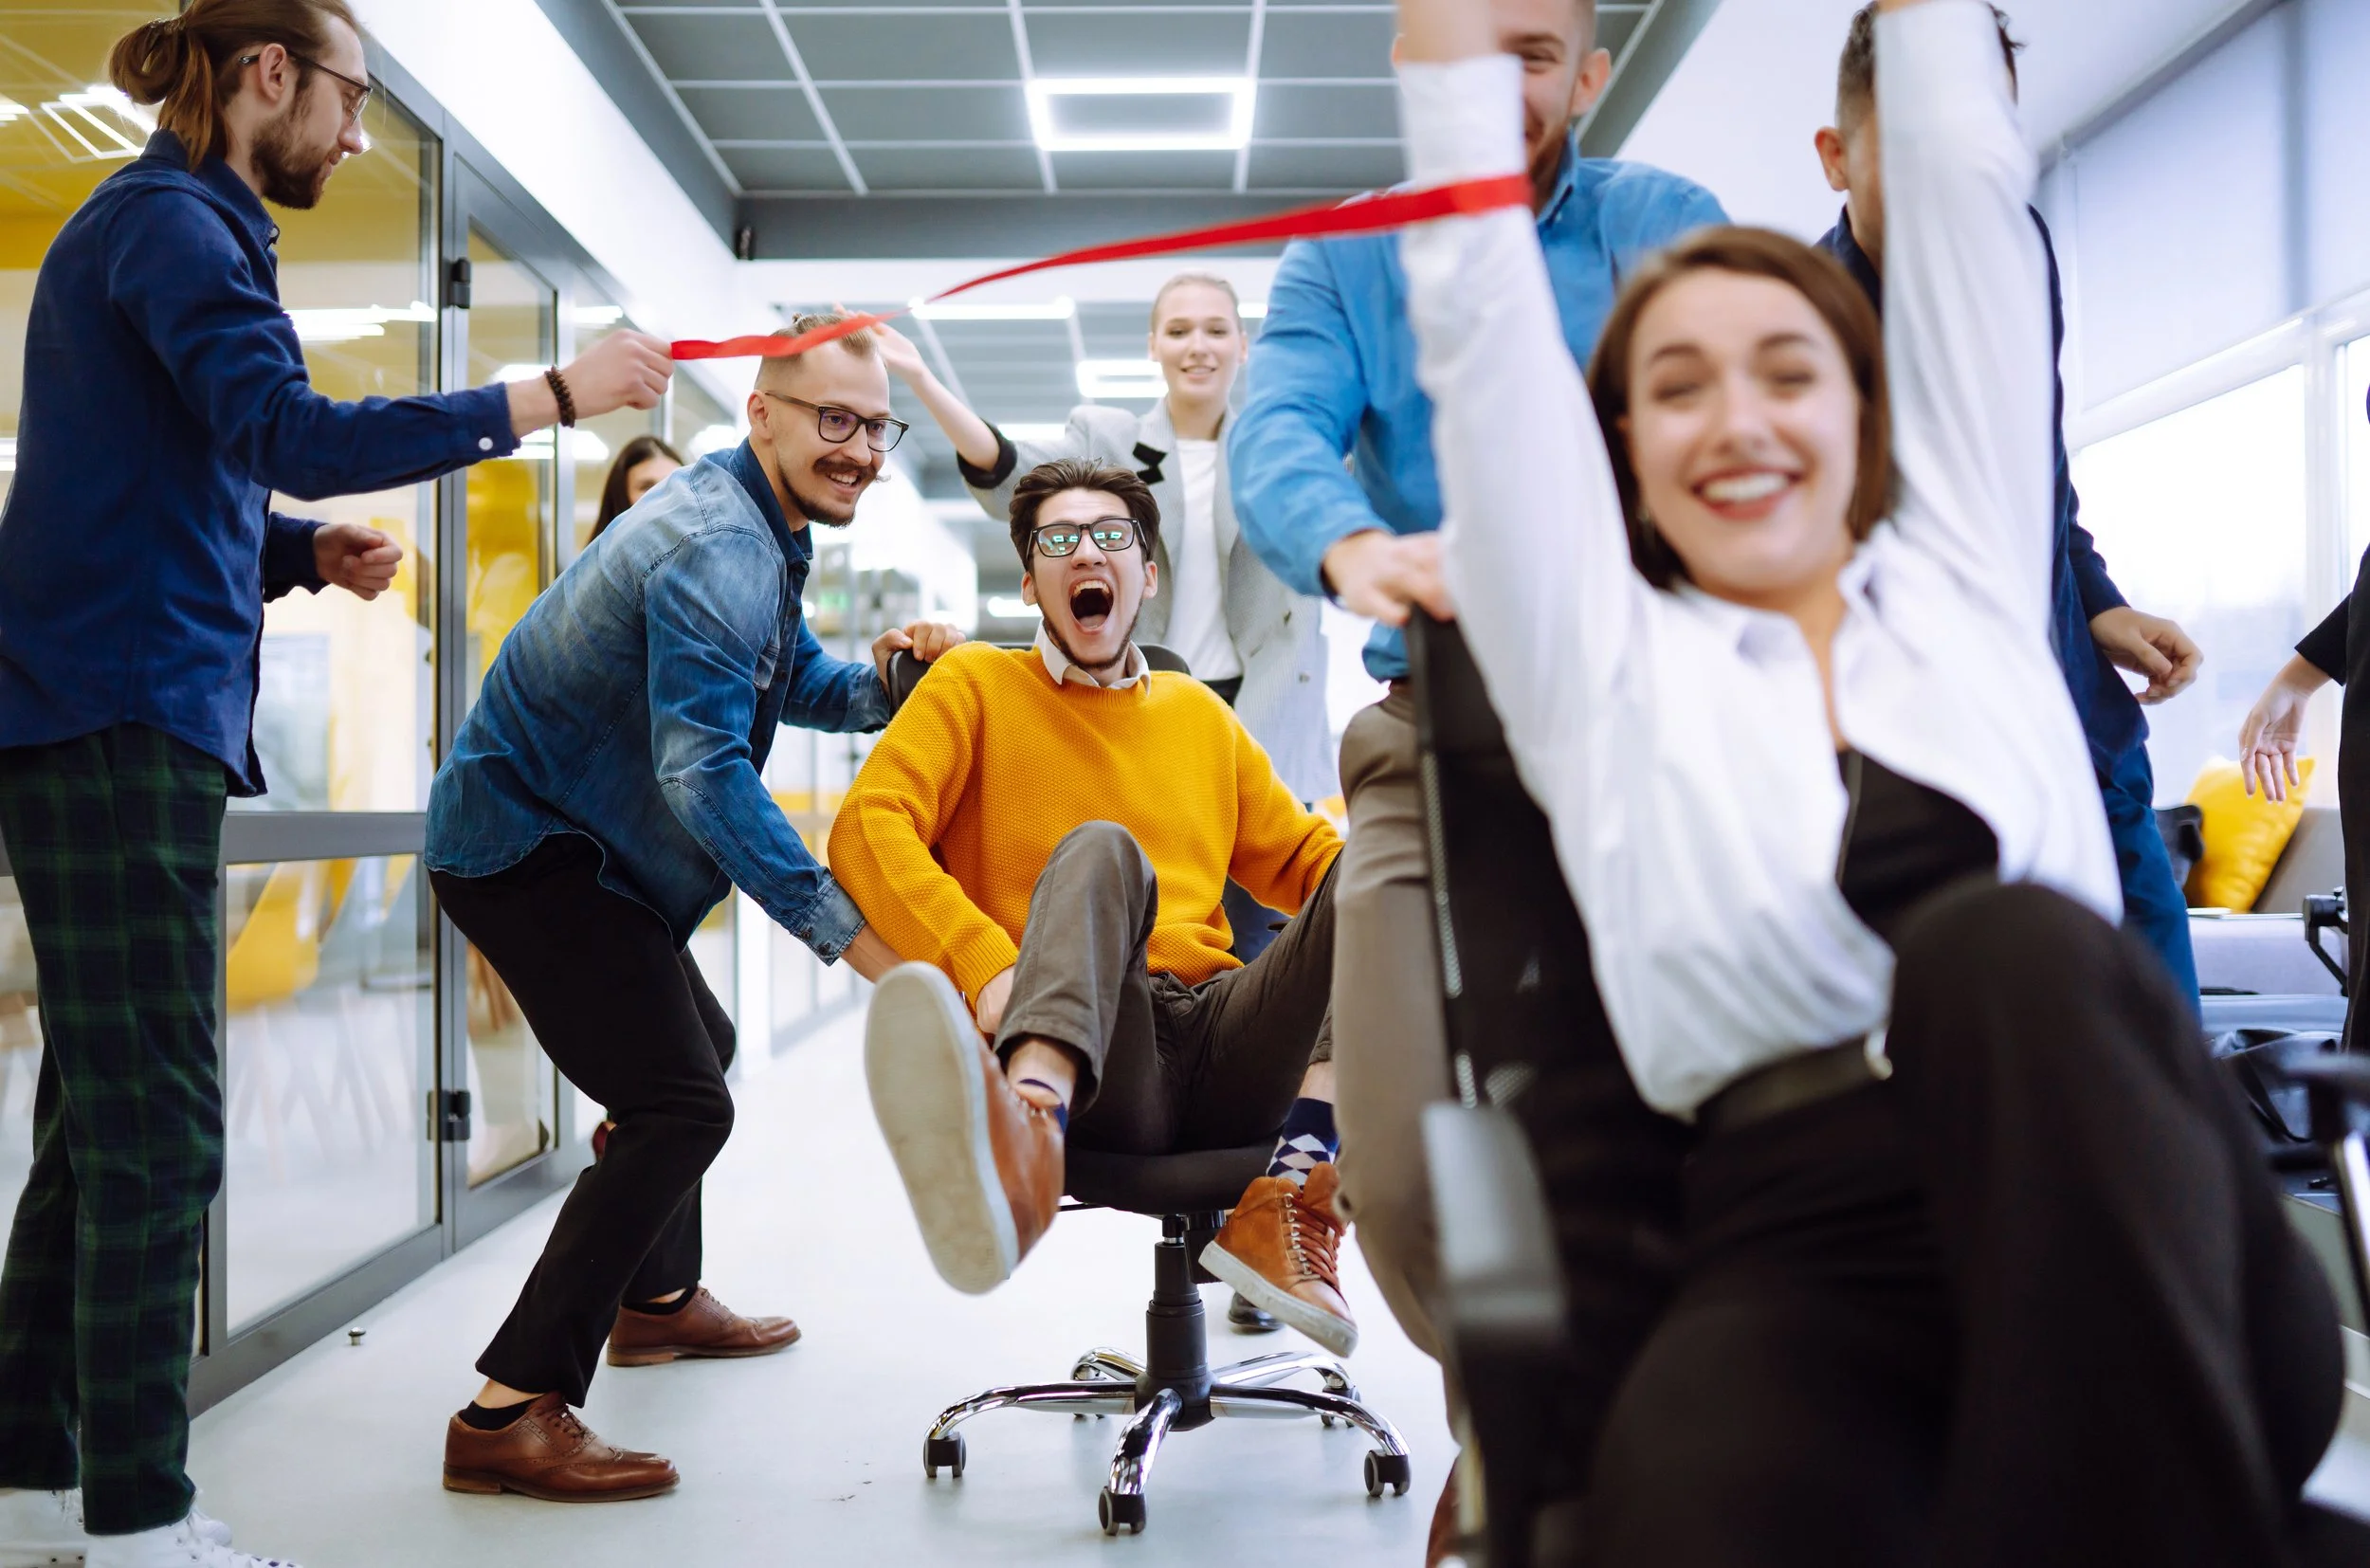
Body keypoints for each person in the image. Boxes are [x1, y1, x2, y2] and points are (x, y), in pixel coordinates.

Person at [1395, 0, 2348, 1560]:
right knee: (1710, 1493)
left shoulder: (1970, 572)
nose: (1740, 416)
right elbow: (1482, 337)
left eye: (1789, 369)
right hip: (1803, 1231)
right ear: (1623, 445)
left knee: (2003, 945)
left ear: (1865, 404)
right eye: (1679, 386)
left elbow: (1963, 174)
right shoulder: (1601, 659)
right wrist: (1457, 73)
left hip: (2111, 1184)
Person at [0, 5, 672, 1565]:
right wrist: (549, 394)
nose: (358, 136)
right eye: (349, 102)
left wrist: (301, 552)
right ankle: (142, 1514)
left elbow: (166, 482)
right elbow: (286, 425)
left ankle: (31, 1471)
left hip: (108, 706)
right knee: (162, 1130)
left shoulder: (168, 229)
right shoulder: (174, 226)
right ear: (267, 74)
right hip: (113, 716)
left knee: (95, 1126)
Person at [1229, 0, 1725, 1456]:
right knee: (1396, 1170)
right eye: (1465, 49)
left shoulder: (1661, 224)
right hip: (1430, 736)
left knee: (1642, 1141)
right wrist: (1347, 543)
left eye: (1534, 51)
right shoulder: (1345, 255)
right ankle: (1522, 1428)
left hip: (1649, 731)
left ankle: (1560, 1469)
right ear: (1408, 66)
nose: (1498, 83)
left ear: (1591, 74)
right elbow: (1278, 428)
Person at [425, 314, 960, 1503]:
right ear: (761, 413)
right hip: (531, 848)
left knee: (693, 1052)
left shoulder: (762, 527)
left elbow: (794, 679)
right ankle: (506, 1409)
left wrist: (891, 683)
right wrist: (858, 940)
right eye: (834, 419)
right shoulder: (721, 542)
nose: (860, 450)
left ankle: (657, 1301)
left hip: (586, 848)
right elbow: (705, 774)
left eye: (877, 427)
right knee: (680, 1102)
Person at [832, 459, 1360, 1358]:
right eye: (1059, 540)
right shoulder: (974, 684)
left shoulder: (1199, 715)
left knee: (1385, 861)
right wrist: (987, 964)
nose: (1088, 553)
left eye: (1112, 536)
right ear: (1029, 581)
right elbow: (865, 828)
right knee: (1102, 847)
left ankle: (1292, 1199)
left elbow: (1310, 861)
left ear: (1146, 577)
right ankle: (1024, 1144)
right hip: (1102, 1051)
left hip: (1227, 1036)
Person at [1814, 2, 2204, 1009]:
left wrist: (2097, 602)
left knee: (2164, 1045)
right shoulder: (1798, 324)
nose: (1956, 184)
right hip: (1920, 766)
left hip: (2078, 722)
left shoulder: (2017, 249)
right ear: (1836, 160)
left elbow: (2036, 470)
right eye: (1918, 149)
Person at [591, 432, 686, 541]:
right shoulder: (602, 552)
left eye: (673, 484)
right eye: (647, 487)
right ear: (620, 497)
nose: (663, 494)